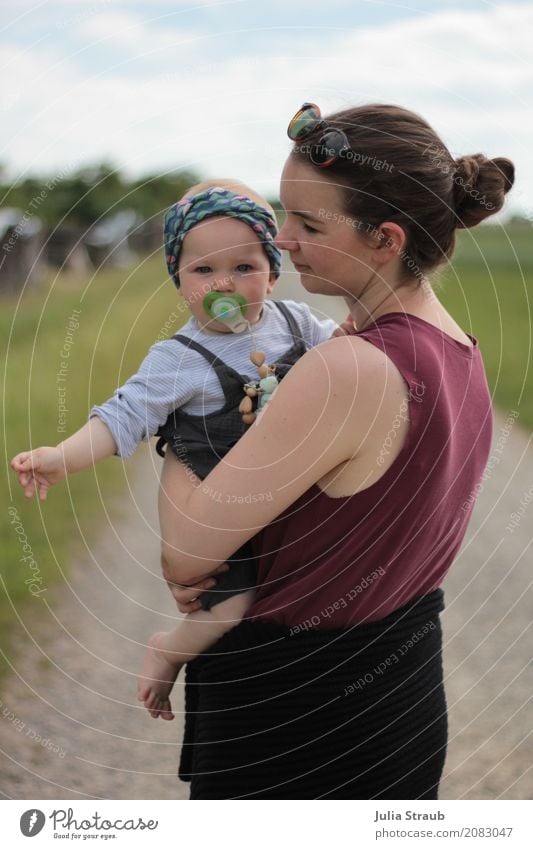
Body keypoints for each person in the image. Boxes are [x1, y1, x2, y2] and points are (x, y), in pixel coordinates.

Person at [155, 103, 515, 799]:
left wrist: (184, 412)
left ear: (383, 239)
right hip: (398, 705)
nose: (281, 239)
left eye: (309, 225)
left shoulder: (344, 369)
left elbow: (187, 553)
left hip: (297, 723)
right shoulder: (458, 353)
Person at [9, 178, 338, 721]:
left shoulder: (298, 324)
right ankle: (169, 652)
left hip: (287, 496)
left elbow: (356, 355)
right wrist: (60, 457)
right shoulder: (179, 357)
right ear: (178, 279)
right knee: (229, 606)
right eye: (203, 270)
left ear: (272, 274)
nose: (223, 283)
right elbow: (122, 416)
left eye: (245, 268)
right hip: (220, 506)